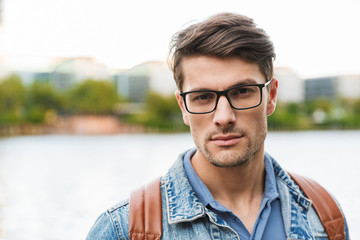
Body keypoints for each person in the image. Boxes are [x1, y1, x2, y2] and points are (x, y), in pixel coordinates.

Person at [86, 13, 350, 240]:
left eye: (242, 91)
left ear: (271, 97)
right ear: (183, 107)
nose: (224, 117)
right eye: (203, 97)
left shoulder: (324, 215)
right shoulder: (124, 229)